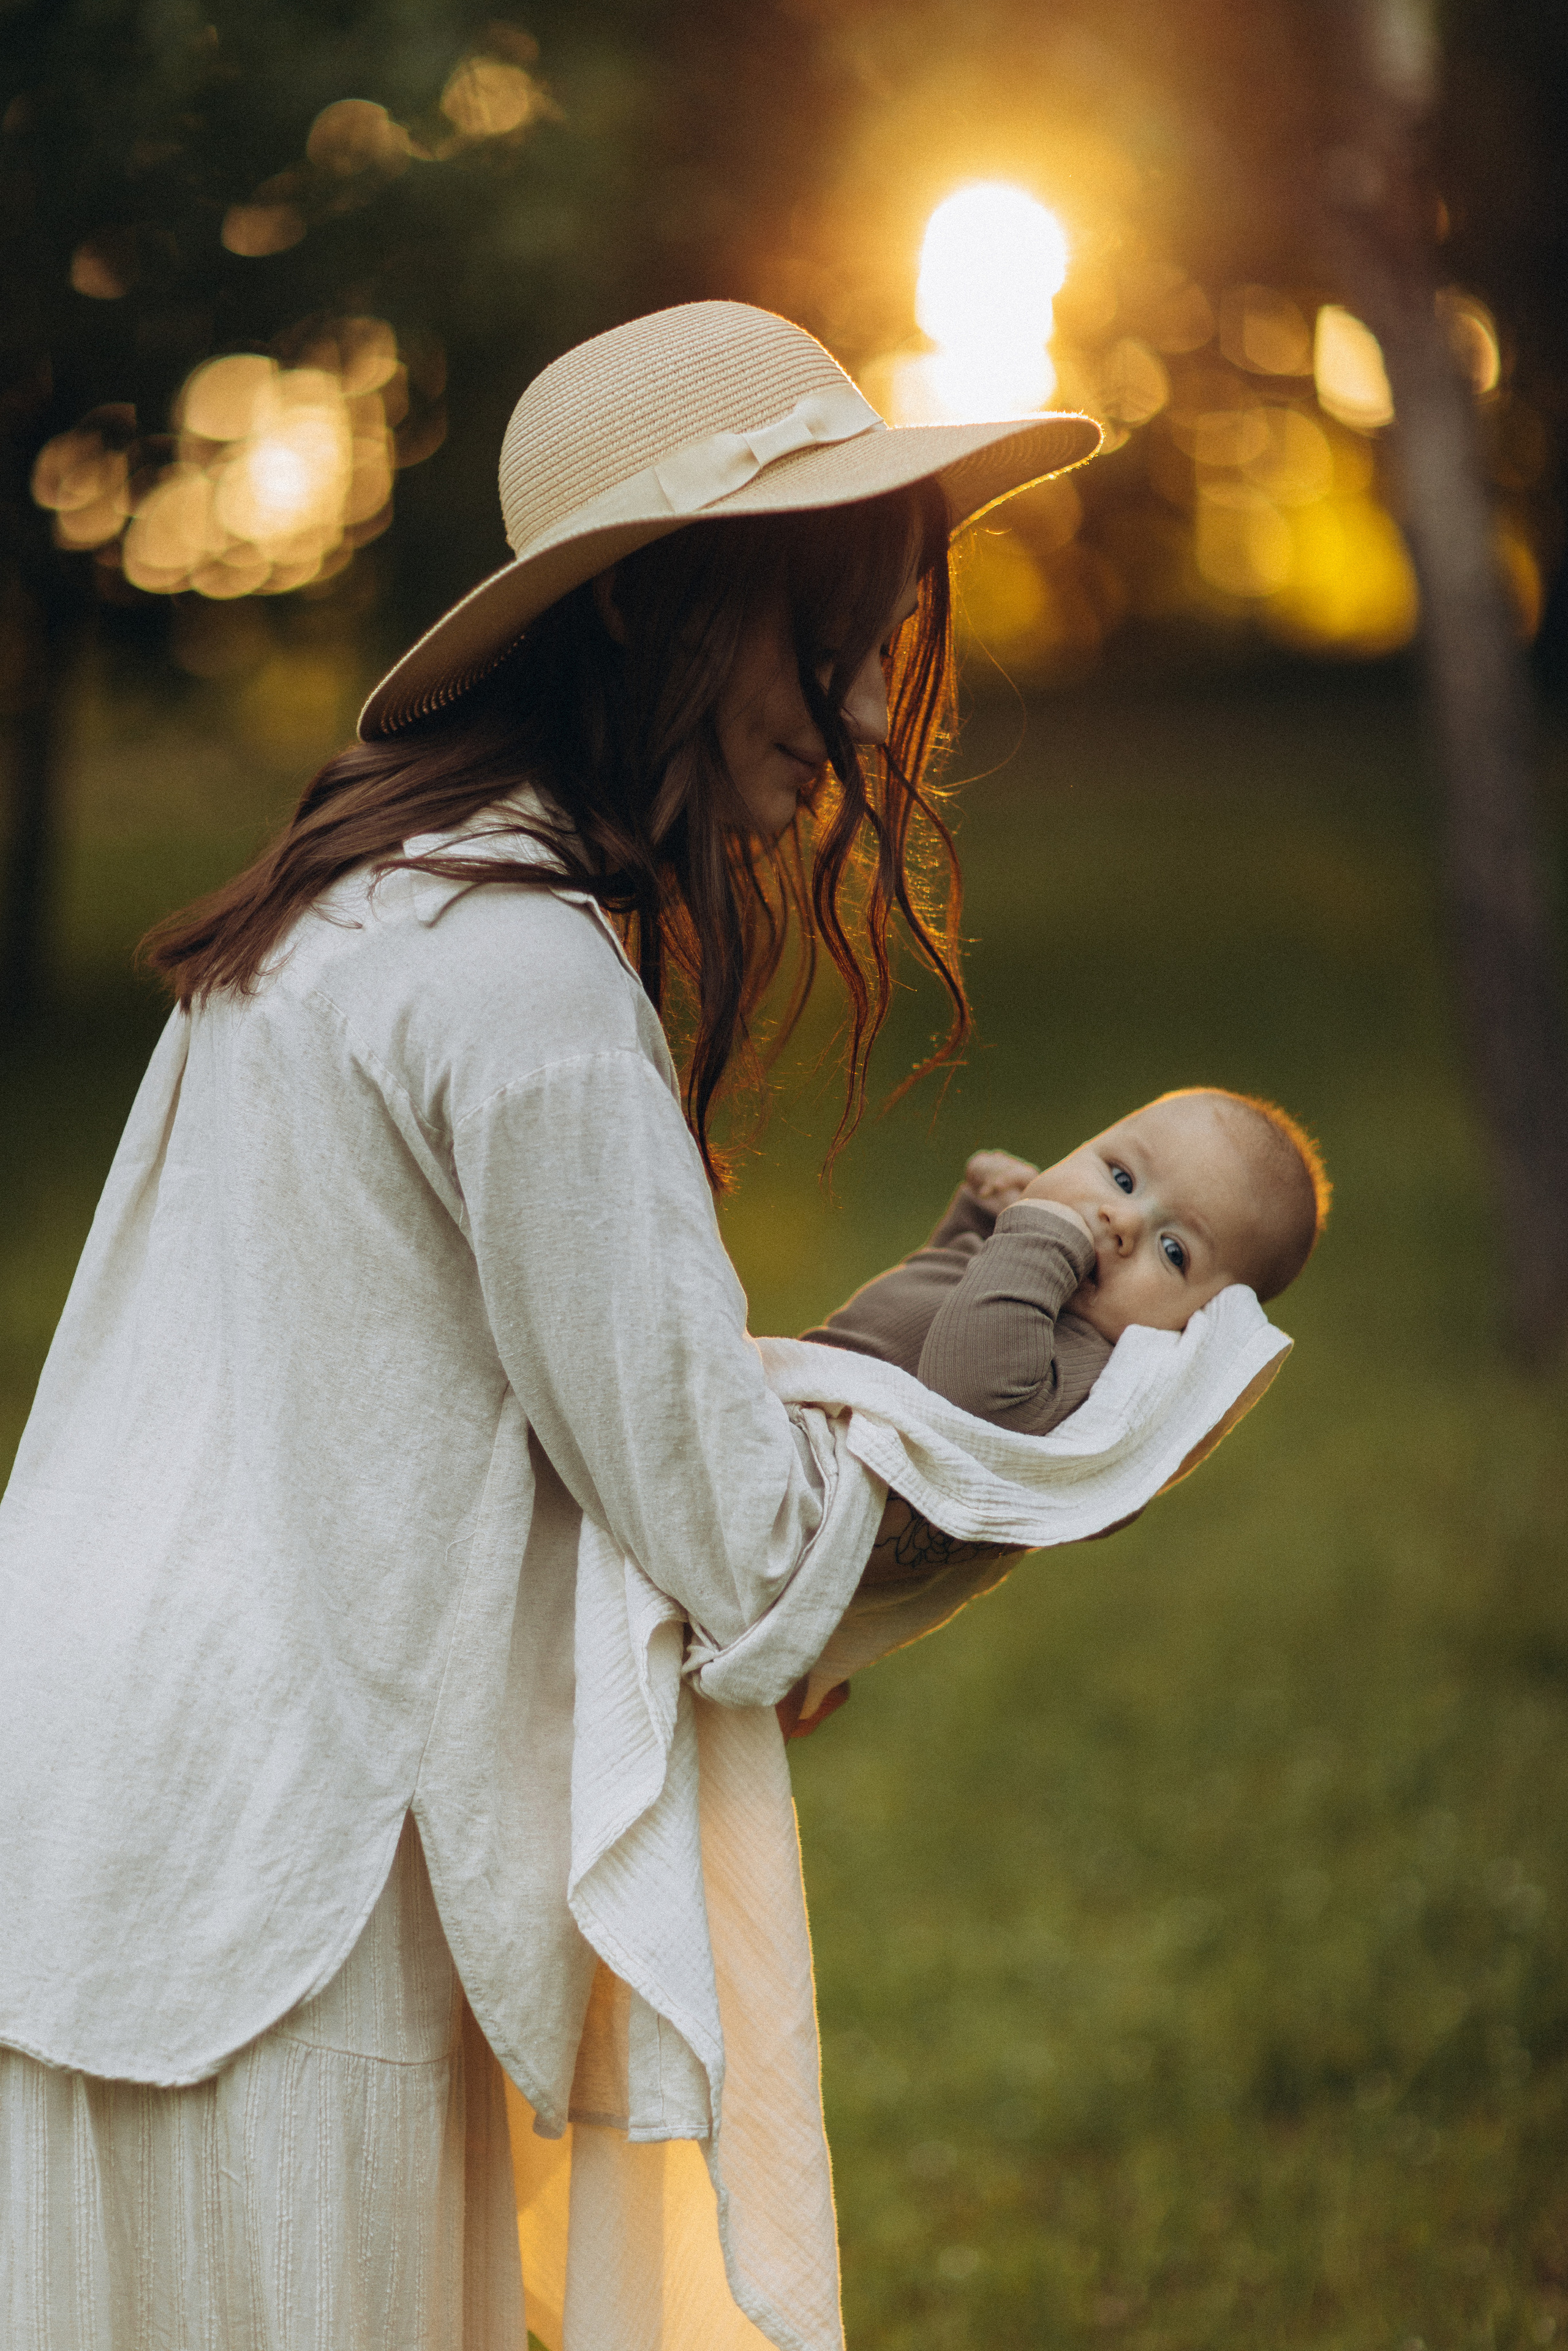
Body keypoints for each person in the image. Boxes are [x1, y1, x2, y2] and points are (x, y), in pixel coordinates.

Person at [0, 301, 1105, 2351]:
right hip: (282, 1901)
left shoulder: (340, 907)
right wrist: (1105, 1388)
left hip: (80, 1824)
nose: (869, 717)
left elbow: (493, 1425)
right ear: (651, 623)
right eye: (823, 635)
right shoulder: (516, 986)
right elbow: (759, 1559)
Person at [807, 1087, 1332, 1434]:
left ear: (1201, 1323)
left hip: (805, 1468)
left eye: (1174, 1252)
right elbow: (938, 1292)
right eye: (1122, 1178)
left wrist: (1041, 1232)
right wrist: (987, 1215)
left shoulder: (1087, 1366)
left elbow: (966, 1393)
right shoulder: (1031, 1288)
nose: (1122, 1221)